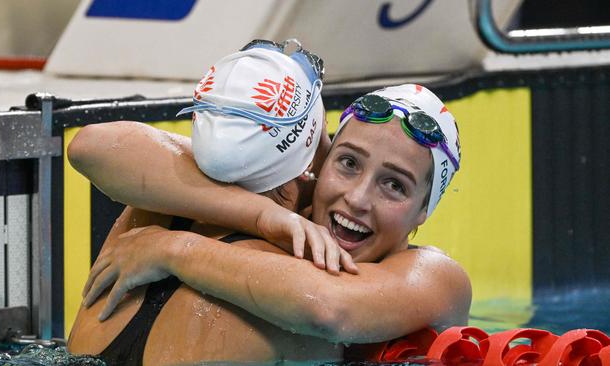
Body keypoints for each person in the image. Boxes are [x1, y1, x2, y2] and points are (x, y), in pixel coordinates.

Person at [67, 40, 471, 364]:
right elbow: (93, 146)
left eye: (394, 186)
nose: (357, 198)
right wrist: (265, 217)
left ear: (425, 209)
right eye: (348, 163)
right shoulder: (203, 200)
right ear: (319, 158)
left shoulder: (435, 278)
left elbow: (330, 309)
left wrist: (171, 249)